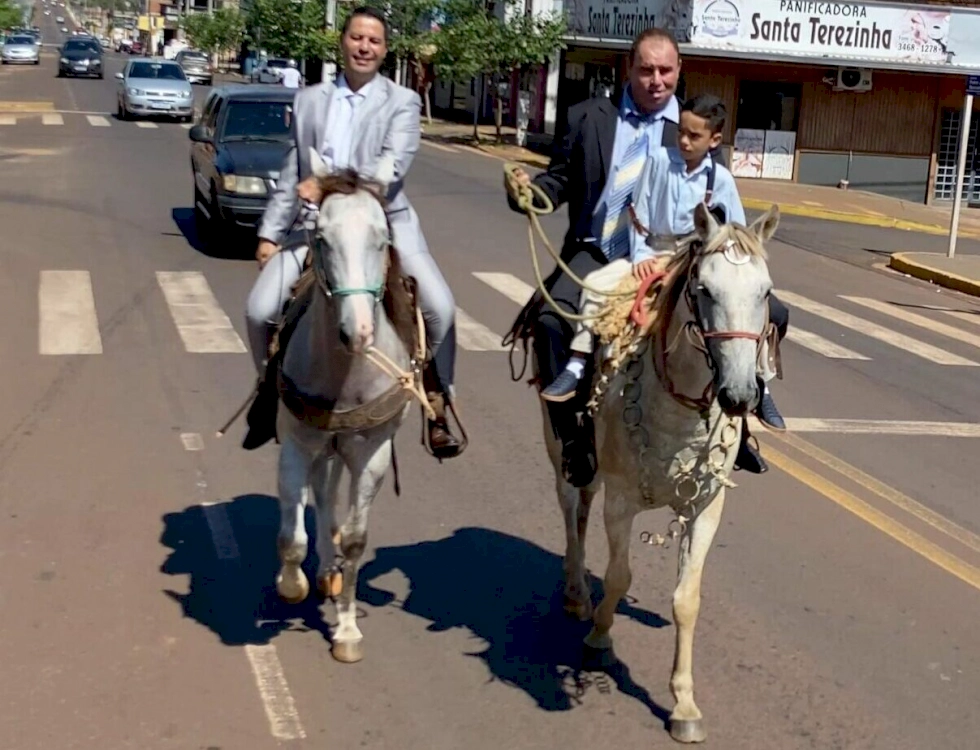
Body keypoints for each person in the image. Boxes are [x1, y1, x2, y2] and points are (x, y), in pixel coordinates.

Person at [242, 5, 463, 459]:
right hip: (314, 231)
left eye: (374, 41)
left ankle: (435, 400)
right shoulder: (309, 100)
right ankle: (268, 391)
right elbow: (292, 171)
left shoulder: (402, 103)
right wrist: (270, 232)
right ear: (342, 42)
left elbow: (390, 170)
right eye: (357, 38)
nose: (365, 47)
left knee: (441, 307)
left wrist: (324, 185)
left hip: (384, 226)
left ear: (385, 50)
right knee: (259, 309)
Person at [537, 94, 787, 473]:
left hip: (698, 263)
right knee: (597, 287)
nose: (684, 141)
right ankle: (577, 363)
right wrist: (640, 258)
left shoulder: (720, 180)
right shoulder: (658, 162)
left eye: (694, 136)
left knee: (770, 313)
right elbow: (637, 213)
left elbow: (735, 233)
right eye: (682, 133)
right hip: (653, 255)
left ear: (714, 141)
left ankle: (757, 386)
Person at [507, 27, 700, 488]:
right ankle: (572, 438)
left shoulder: (693, 130)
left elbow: (709, 200)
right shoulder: (587, 117)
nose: (656, 80)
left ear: (678, 71)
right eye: (646, 69)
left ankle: (739, 428)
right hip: (596, 252)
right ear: (628, 69)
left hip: (668, 259)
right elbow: (557, 181)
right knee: (553, 323)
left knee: (725, 322)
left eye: (665, 70)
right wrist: (529, 194)